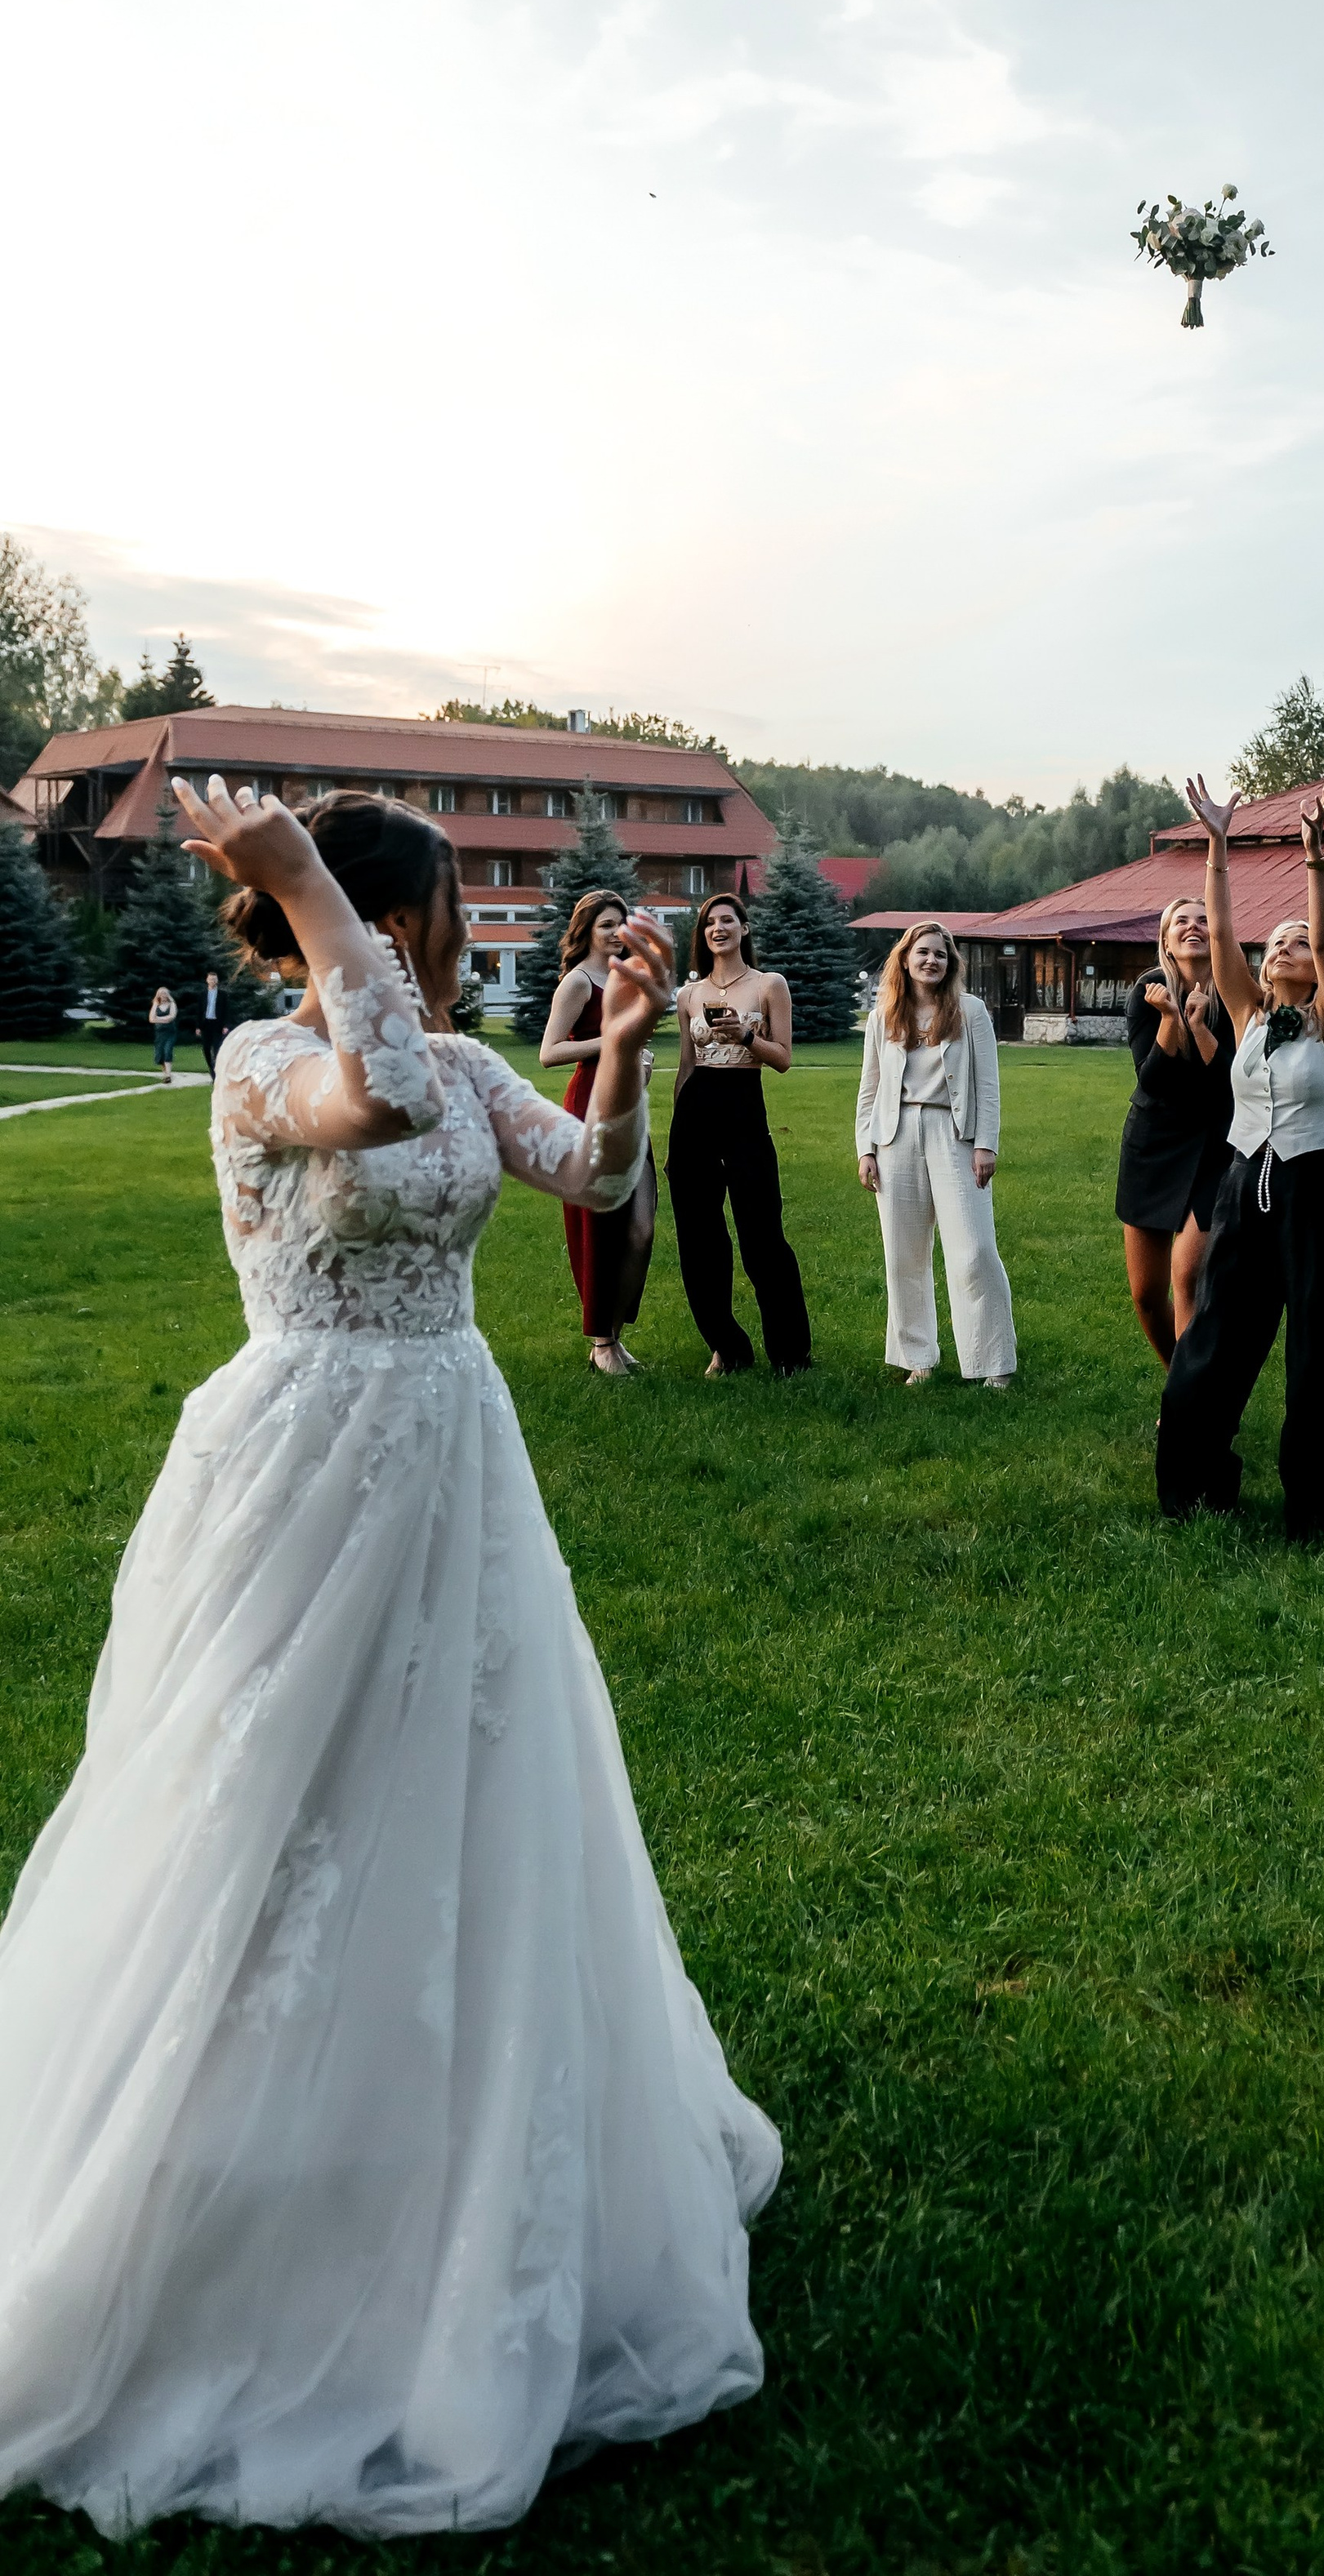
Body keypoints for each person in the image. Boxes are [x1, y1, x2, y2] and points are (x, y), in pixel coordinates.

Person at [0, 779, 777, 2539]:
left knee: (461, 1795)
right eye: (429, 915)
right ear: (370, 919)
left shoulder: (445, 1047)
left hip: (451, 1456)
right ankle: (222, 2175)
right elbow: (392, 1095)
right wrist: (299, 884)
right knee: (266, 1800)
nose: (449, 946)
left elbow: (594, 1174)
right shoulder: (266, 1066)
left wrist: (631, 1049)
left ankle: (444, 2137)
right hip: (300, 1458)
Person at [1156, 777, 1324, 1539]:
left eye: (1297, 941)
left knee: (1317, 1359)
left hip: (1316, 1193)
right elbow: (1217, 937)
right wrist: (1216, 844)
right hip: (1245, 1187)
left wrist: (1315, 862)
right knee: (1212, 1341)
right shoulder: (1246, 1012)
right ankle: (1199, 1486)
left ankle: (1316, 1506)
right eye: (1276, 941)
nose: (1285, 947)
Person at [855, 923, 1016, 1386]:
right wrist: (865, 1148)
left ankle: (992, 1363)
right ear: (905, 959)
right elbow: (869, 1090)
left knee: (975, 1248)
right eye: (923, 953)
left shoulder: (970, 1012)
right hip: (895, 1136)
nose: (932, 961)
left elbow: (988, 1084)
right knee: (903, 1254)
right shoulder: (883, 1016)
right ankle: (917, 1358)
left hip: (955, 1134)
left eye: (941, 956)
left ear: (951, 965)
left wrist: (986, 1143)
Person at [666, 892, 811, 1378]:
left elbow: (785, 1060)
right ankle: (726, 1347)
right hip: (696, 1110)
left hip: (744, 1106)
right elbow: (686, 1064)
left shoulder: (769, 985)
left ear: (744, 930)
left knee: (762, 1234)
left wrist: (744, 1036)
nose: (718, 928)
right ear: (702, 935)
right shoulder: (689, 995)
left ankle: (791, 1354)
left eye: (728, 920)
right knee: (698, 1235)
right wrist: (675, 1131)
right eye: (710, 922)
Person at [541, 888, 660, 1375]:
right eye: (606, 924)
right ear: (587, 929)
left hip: (629, 1105)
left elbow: (626, 1044)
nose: (616, 933)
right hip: (587, 1108)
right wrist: (609, 1044)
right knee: (598, 1229)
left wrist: (635, 1057)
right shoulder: (577, 982)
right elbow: (549, 1052)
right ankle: (601, 1341)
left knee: (641, 1228)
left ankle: (613, 1333)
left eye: (621, 924)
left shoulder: (625, 978)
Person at [1116, 896, 1235, 1364]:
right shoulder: (1147, 991)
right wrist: (1170, 1018)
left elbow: (1228, 1084)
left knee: (1188, 1279)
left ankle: (1188, 1403)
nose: (1194, 927)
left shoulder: (1234, 992)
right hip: (1153, 1147)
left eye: (1204, 920)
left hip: (1214, 1149)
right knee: (1146, 1294)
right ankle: (1181, 1380)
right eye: (1181, 921)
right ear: (1165, 939)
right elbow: (1152, 1080)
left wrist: (1200, 1024)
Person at [198, 968, 225, 1077]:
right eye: (210, 979)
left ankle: (216, 1071)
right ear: (207, 980)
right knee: (206, 1048)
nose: (212, 981)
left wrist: (225, 1025)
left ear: (217, 981)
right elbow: (199, 1011)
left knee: (216, 1048)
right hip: (206, 1024)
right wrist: (198, 1026)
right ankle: (211, 1067)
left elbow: (226, 1010)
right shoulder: (203, 995)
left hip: (217, 1024)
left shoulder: (222, 995)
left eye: (214, 979)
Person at [149, 983, 178, 1083]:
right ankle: (165, 1074)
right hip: (159, 1034)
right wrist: (163, 1019)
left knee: (168, 1051)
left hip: (170, 1033)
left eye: (165, 994)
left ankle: (168, 1075)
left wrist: (158, 1019)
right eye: (161, 994)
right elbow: (151, 1019)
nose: (163, 996)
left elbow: (171, 1017)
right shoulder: (156, 1005)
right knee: (160, 1054)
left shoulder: (172, 1004)